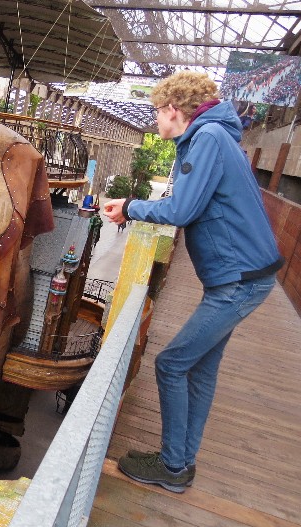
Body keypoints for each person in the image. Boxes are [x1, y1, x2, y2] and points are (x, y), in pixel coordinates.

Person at [103, 72, 283, 494]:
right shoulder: (214, 136)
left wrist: (130, 207)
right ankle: (181, 461)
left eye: (155, 112)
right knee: (199, 369)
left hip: (238, 281)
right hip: (242, 277)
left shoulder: (207, 139)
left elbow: (182, 209)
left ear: (173, 110)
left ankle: (172, 464)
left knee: (171, 364)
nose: (154, 120)